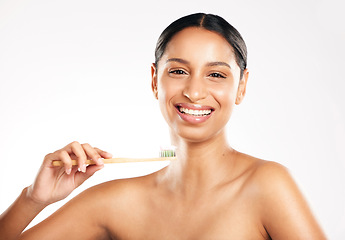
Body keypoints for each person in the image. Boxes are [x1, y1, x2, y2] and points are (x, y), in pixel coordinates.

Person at [0, 13, 326, 240]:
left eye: (216, 74)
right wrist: (33, 199)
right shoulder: (114, 202)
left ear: (241, 86)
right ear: (155, 80)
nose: (195, 92)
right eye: (178, 71)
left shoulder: (267, 186)